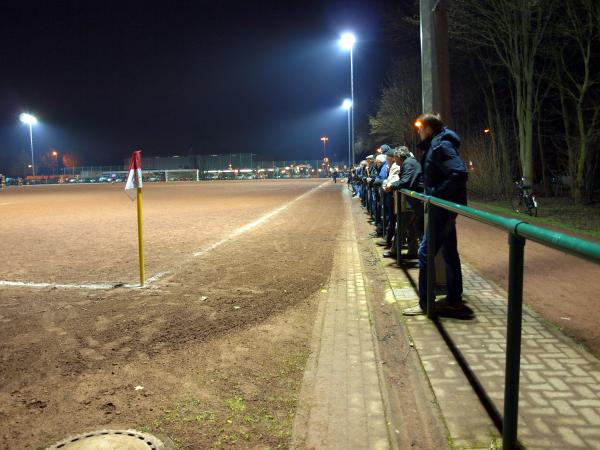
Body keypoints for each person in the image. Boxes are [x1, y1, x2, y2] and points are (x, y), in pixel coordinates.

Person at [403, 113, 471, 318]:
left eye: (420, 129)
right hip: (445, 207)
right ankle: (454, 300)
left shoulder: (441, 145)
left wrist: (435, 195)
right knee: (449, 253)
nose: (418, 132)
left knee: (425, 252)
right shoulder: (437, 144)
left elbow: (459, 173)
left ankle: (426, 303)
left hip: (442, 208)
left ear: (429, 129)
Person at [383, 146, 423, 258]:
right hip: (415, 200)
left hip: (413, 200)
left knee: (401, 226)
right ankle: (413, 251)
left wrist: (391, 186)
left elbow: (404, 181)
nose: (395, 161)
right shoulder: (410, 162)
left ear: (400, 157)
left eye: (395, 158)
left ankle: (395, 251)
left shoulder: (408, 163)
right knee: (412, 227)